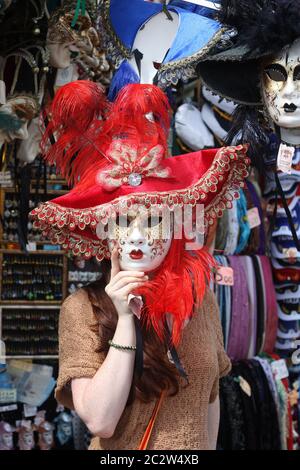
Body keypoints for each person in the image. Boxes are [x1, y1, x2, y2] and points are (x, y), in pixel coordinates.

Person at [30, 81, 249, 450]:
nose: (136, 238)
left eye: (151, 221)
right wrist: (125, 319)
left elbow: (210, 400)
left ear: (177, 225)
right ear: (103, 232)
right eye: (121, 222)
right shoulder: (82, 310)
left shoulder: (201, 300)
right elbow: (100, 419)